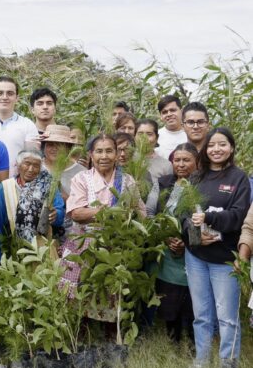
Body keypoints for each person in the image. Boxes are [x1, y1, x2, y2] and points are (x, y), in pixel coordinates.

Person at [183, 128, 250, 368]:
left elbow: (238, 216)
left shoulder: (238, 178)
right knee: (201, 315)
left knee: (227, 318)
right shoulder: (196, 177)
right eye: (212, 145)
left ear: (231, 148)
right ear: (205, 149)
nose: (216, 149)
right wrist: (195, 234)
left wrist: (210, 217)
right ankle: (201, 363)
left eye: (222, 144)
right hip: (197, 256)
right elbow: (181, 213)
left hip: (225, 258)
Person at [62, 134, 145, 315]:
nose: (104, 156)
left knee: (111, 292)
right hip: (84, 244)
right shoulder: (82, 179)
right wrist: (109, 212)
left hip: (116, 244)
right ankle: (81, 334)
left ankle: (108, 336)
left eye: (109, 151)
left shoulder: (127, 180)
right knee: (79, 292)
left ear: (116, 154)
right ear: (91, 155)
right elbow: (76, 213)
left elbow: (139, 214)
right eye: (99, 151)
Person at [150, 143, 199, 343]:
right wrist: (165, 236)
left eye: (186, 160)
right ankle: (173, 341)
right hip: (167, 251)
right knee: (169, 300)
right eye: (176, 160)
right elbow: (151, 212)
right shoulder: (164, 182)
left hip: (192, 250)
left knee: (191, 300)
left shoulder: (201, 185)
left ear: (196, 162)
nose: (180, 164)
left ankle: (193, 343)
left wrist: (185, 241)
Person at [0, 150, 65, 262]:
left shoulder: (49, 185)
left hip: (43, 251)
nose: (31, 169)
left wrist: (56, 215)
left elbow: (59, 215)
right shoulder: (6, 188)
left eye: (36, 165)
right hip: (13, 250)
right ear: (18, 165)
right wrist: (2, 259)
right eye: (27, 164)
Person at [0, 77, 40, 176]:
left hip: (16, 186)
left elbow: (33, 159)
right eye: (0, 93)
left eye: (10, 93)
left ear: (17, 97)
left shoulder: (27, 124)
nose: (5, 97)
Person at [40, 124, 84, 200]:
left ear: (68, 148)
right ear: (44, 147)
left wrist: (66, 200)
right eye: (50, 145)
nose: (54, 149)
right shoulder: (34, 167)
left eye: (59, 145)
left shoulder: (81, 173)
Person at [156, 95, 187, 160]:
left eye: (173, 110)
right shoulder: (155, 136)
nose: (169, 114)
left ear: (182, 111)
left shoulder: (190, 134)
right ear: (161, 116)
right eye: (164, 112)